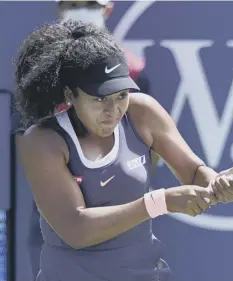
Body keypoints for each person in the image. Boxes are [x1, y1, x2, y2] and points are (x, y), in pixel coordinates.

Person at [14, 20, 233, 281]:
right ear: (70, 94)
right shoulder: (43, 140)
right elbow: (76, 230)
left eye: (121, 95)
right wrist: (160, 202)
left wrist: (219, 183)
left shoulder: (143, 112)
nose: (112, 110)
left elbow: (193, 172)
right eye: (99, 98)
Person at [21, 2, 154, 279]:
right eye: (73, 3)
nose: (82, 8)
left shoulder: (135, 72)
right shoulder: (40, 76)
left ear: (107, 9)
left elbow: (151, 147)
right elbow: (75, 229)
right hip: (55, 220)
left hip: (125, 231)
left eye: (91, 3)